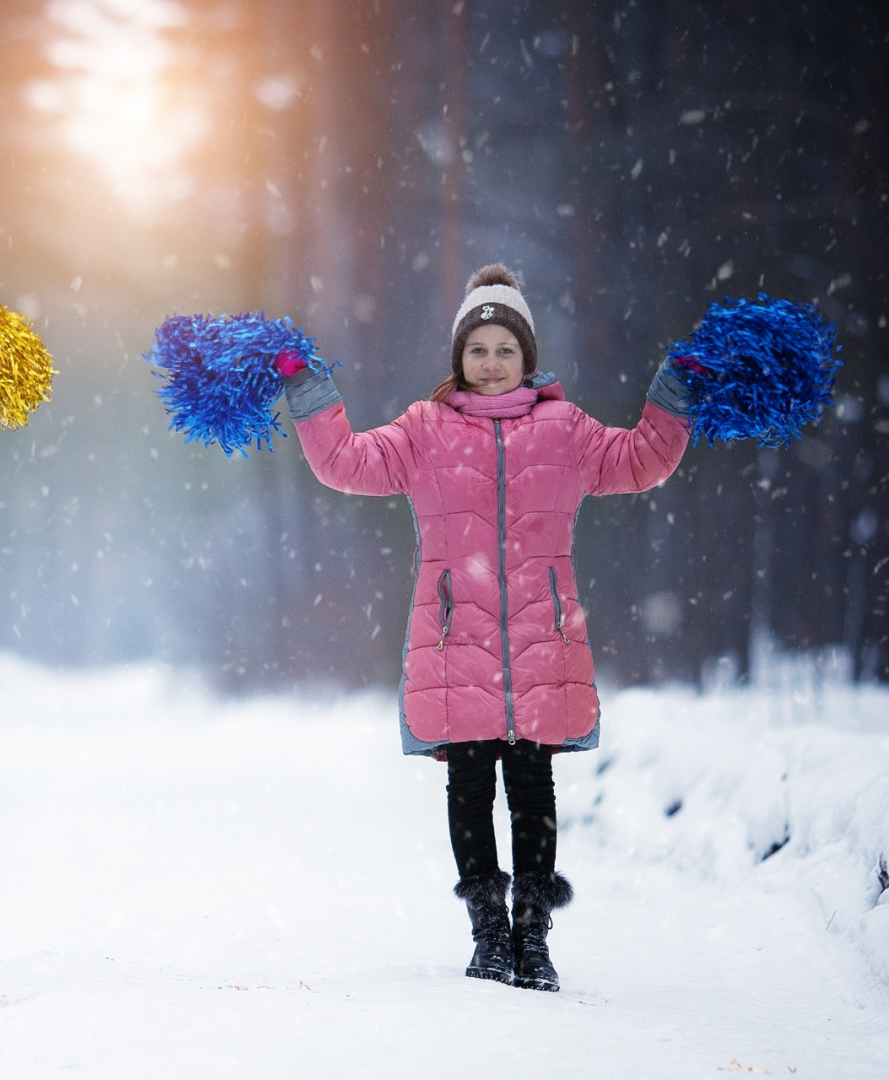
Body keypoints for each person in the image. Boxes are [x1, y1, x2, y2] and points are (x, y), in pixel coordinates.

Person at [277, 265, 692, 991]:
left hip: (542, 638)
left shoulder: (566, 430)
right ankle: (488, 931)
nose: (492, 364)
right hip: (453, 638)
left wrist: (674, 392)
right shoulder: (426, 430)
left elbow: (641, 461)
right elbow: (345, 463)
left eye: (505, 349)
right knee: (469, 789)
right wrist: (311, 391)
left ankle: (534, 935)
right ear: (458, 361)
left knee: (533, 787)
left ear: (528, 357)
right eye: (478, 350)